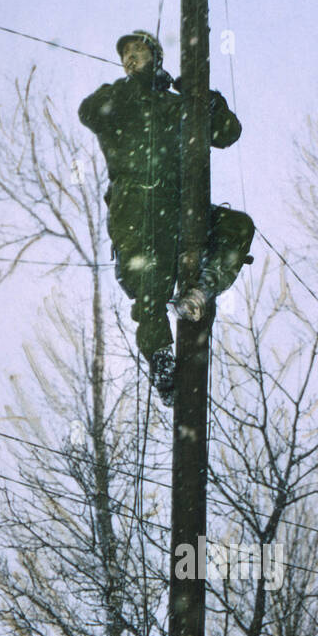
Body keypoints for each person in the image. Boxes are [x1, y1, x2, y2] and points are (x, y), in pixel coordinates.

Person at [78, 30, 254, 405]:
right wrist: (135, 84)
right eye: (125, 53)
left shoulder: (177, 106)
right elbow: (89, 112)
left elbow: (228, 133)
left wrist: (202, 95)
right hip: (137, 215)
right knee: (150, 293)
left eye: (138, 51)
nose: (129, 57)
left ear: (155, 56)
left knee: (237, 226)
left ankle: (202, 290)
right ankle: (163, 369)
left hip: (181, 210)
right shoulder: (119, 104)